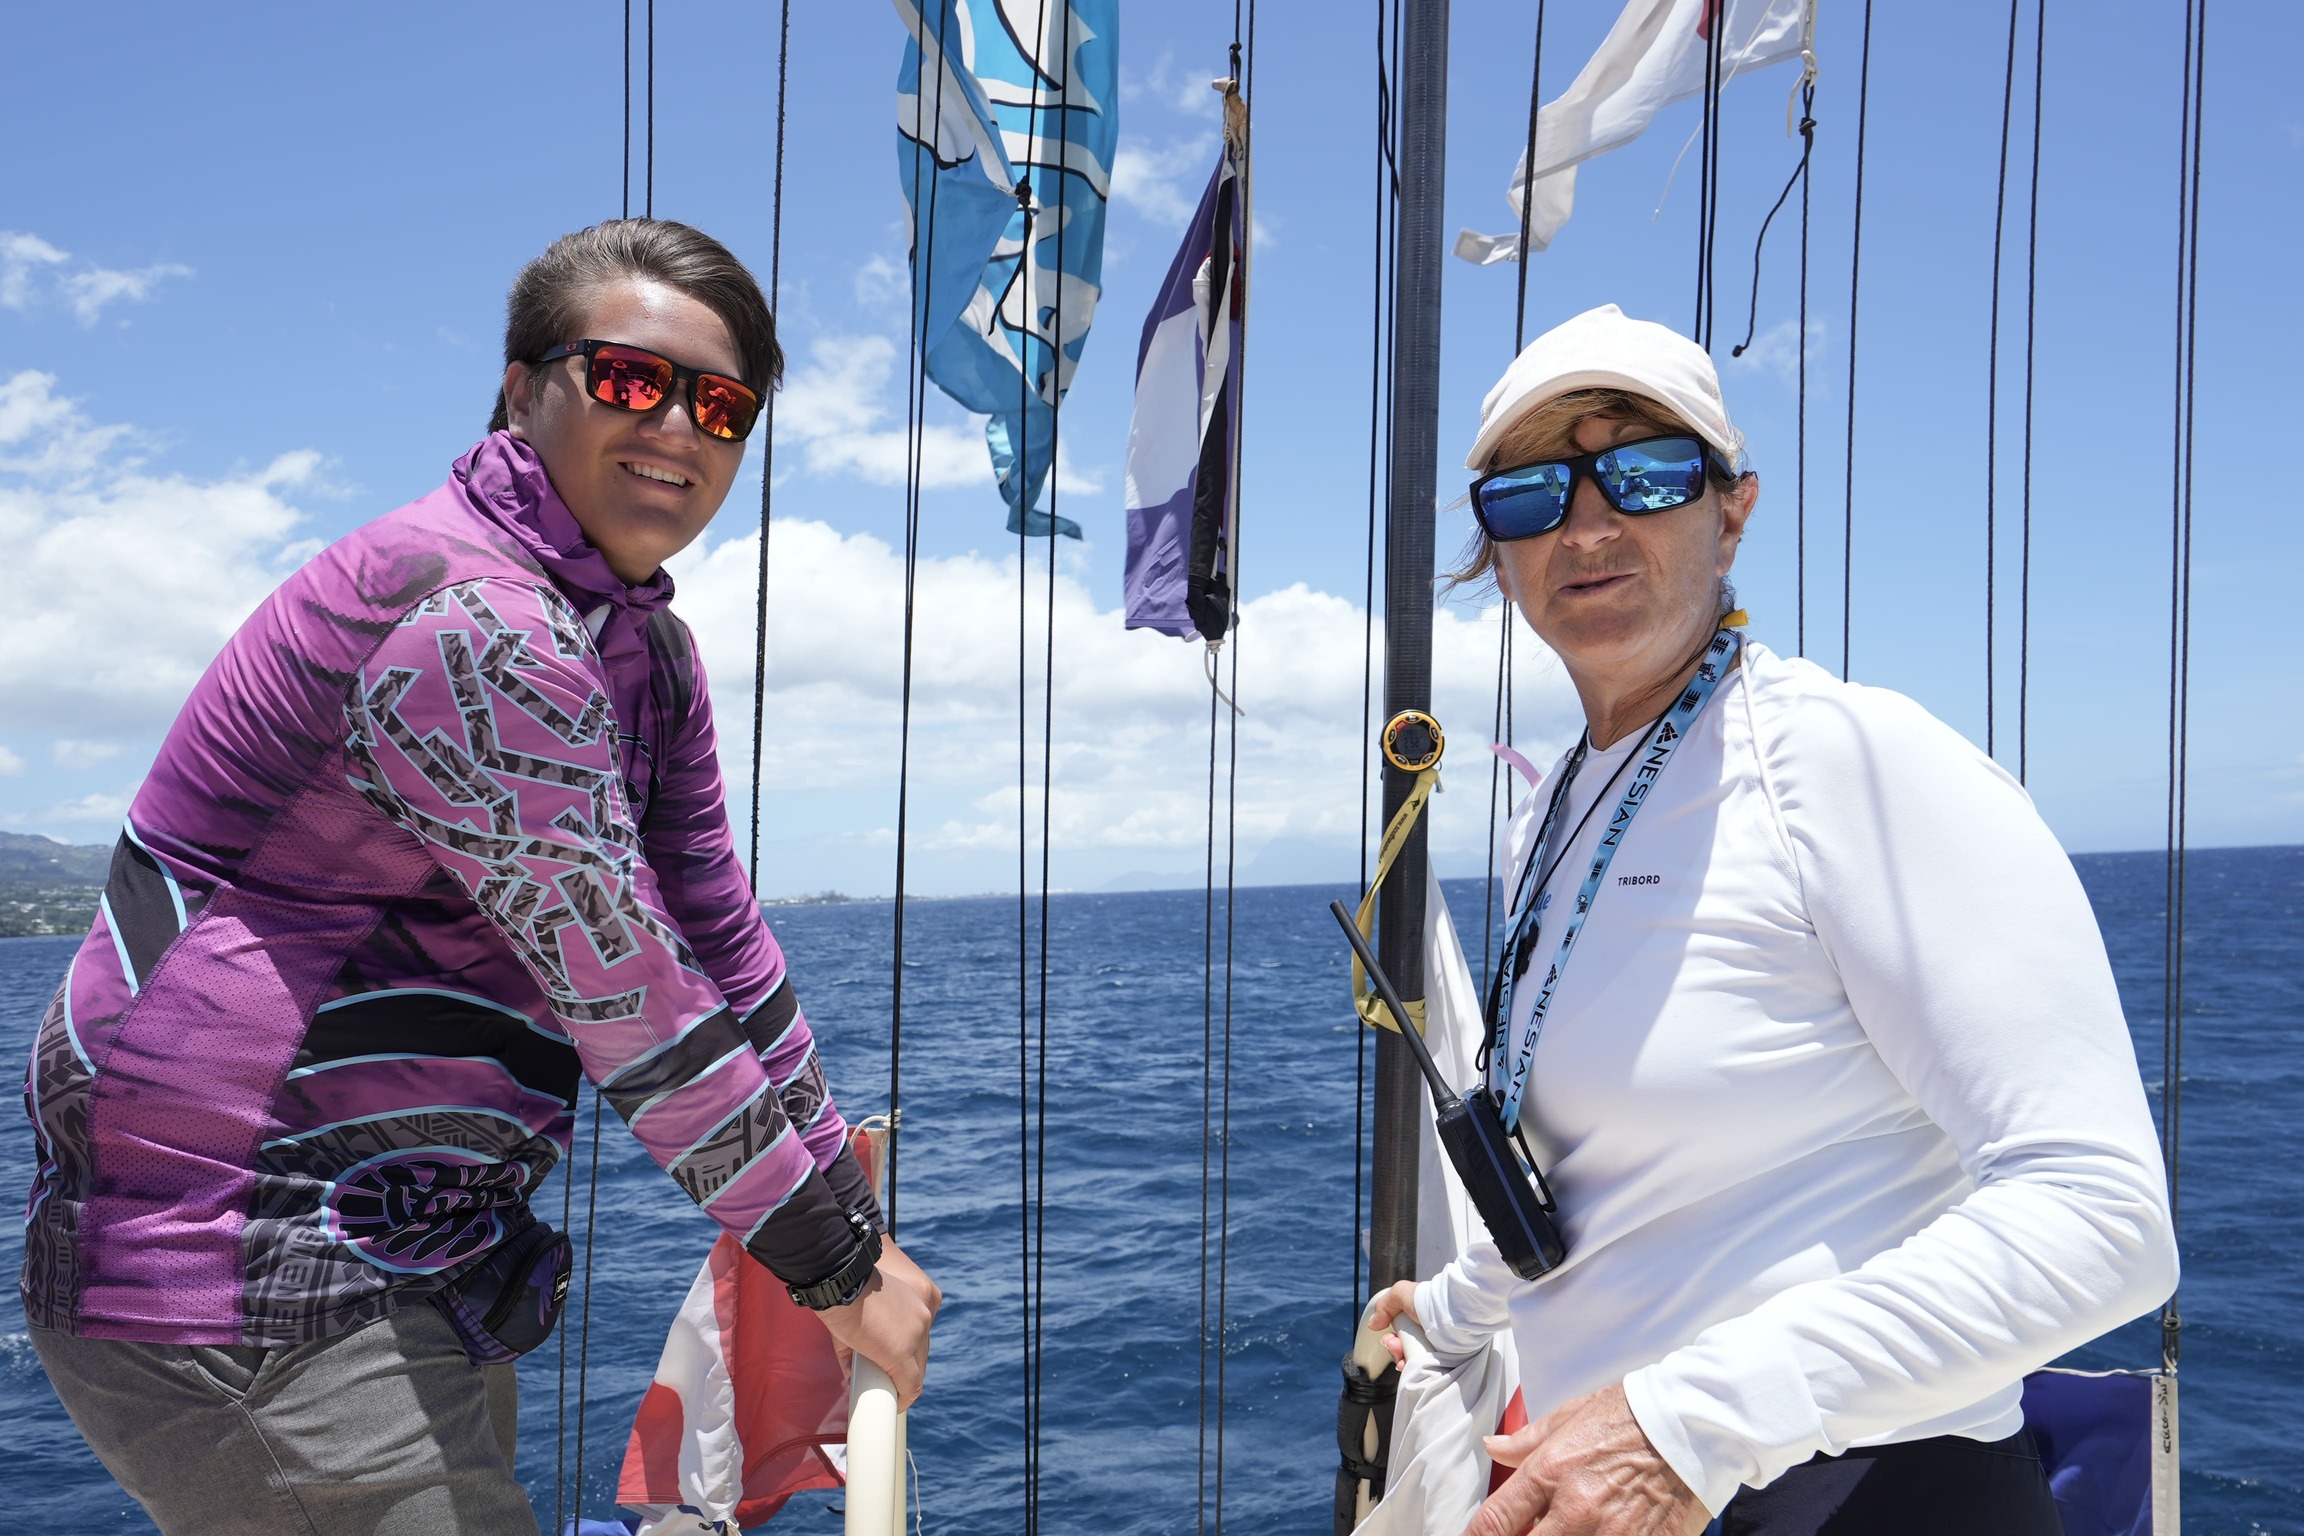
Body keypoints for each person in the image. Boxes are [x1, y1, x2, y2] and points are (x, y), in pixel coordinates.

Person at [21, 219, 940, 1535]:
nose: (677, 426)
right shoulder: (473, 626)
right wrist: (835, 1267)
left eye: (722, 405)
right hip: (236, 1255)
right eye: (631, 378)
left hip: (403, 1241)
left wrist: (844, 1208)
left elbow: (718, 939)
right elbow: (632, 995)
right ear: (521, 388)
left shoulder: (643, 653)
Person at [1366, 304, 2177, 1536]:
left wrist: (1684, 1422)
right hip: (1631, 1484)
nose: (1586, 526)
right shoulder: (1561, 807)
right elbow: (1594, 1175)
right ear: (1501, 549)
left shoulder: (1850, 762)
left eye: (1644, 473)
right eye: (1531, 494)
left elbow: (2104, 1219)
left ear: (1732, 510)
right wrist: (1449, 1309)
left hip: (1866, 1489)